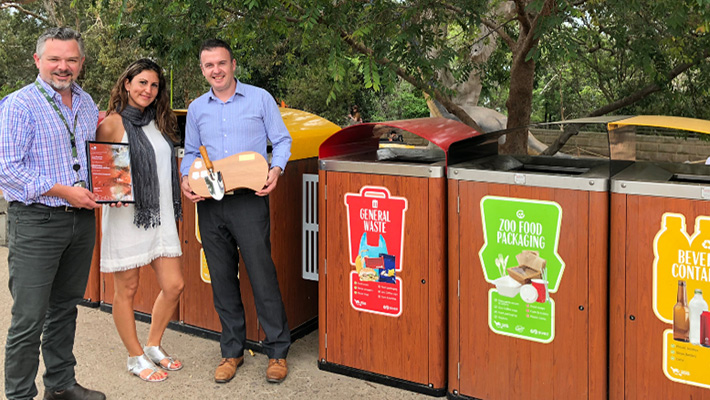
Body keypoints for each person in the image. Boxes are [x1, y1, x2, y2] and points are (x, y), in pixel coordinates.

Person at [0, 27, 105, 400]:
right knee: (29, 319)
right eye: (55, 59)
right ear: (38, 60)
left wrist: (112, 187)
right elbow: (7, 169)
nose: (63, 67)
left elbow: (95, 155)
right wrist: (63, 191)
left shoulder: (87, 102)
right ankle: (19, 396)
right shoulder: (19, 105)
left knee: (64, 309)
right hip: (36, 222)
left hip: (80, 222)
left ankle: (60, 385)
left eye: (71, 60)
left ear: (80, 63)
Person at [180, 39, 292, 384]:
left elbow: (282, 140)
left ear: (233, 64)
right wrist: (186, 178)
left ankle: (277, 351)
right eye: (209, 65)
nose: (216, 70)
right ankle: (231, 351)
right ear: (203, 70)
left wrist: (277, 169)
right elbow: (190, 152)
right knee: (222, 278)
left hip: (249, 198)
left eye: (221, 63)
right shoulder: (197, 108)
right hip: (211, 204)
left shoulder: (260, 98)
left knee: (262, 274)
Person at [96, 59, 184, 382]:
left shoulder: (160, 121)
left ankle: (152, 345)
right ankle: (135, 357)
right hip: (126, 216)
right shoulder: (112, 123)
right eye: (142, 83)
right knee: (128, 289)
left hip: (159, 216)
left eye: (154, 85)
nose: (148, 90)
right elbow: (103, 173)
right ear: (127, 83)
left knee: (174, 285)